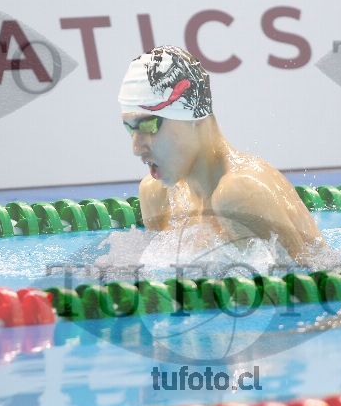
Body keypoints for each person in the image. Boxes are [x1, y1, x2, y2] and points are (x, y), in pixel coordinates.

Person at [118, 45, 324, 264]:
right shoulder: (157, 195)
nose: (136, 148)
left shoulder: (239, 193)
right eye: (130, 129)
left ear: (194, 113)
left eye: (148, 125)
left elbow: (306, 281)